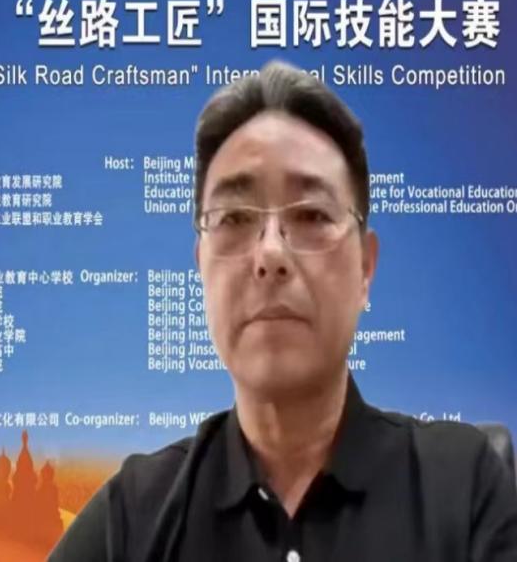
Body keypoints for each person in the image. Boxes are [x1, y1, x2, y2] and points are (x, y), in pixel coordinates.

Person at [48, 61, 517, 561]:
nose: (270, 254)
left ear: (365, 267)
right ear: (201, 266)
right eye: (234, 218)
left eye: (311, 214)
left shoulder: (464, 487)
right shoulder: (134, 516)